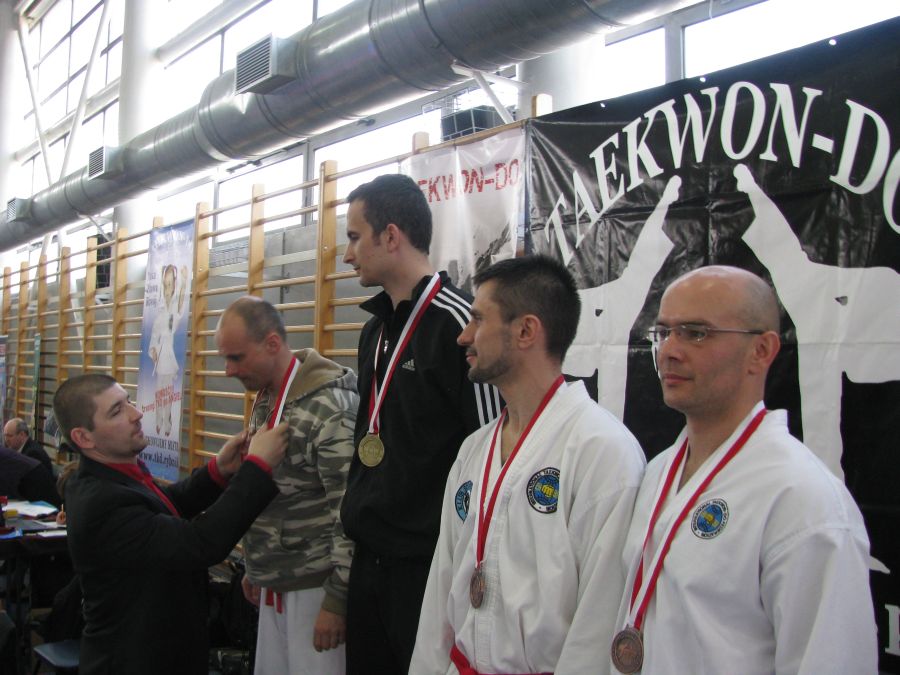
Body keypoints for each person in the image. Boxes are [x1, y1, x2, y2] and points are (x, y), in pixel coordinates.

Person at [611, 266, 877, 674]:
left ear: (761, 351)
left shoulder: (803, 500)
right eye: (663, 332)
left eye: (696, 333)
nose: (669, 351)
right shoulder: (660, 471)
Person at [410, 255, 646, 675]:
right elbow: (442, 586)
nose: (463, 337)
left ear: (525, 331)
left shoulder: (603, 451)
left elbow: (599, 619)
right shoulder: (474, 450)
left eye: (478, 320)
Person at [339, 173, 501, 674]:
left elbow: (492, 456)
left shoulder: (459, 325)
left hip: (428, 569)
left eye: (354, 237)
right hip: (369, 561)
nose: (346, 255)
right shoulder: (374, 331)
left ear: (391, 236)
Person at [54, 373, 288, 675]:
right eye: (116, 411)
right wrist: (257, 467)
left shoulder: (109, 477)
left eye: (128, 402)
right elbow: (200, 543)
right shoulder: (101, 503)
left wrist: (219, 470)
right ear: (84, 438)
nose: (137, 414)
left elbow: (165, 505)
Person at [216, 296, 358, 674]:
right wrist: (256, 563)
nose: (228, 370)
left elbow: (350, 511)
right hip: (277, 580)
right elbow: (272, 491)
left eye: (237, 358)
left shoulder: (330, 406)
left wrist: (337, 599)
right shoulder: (269, 395)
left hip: (316, 589)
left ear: (272, 344)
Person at [148, 263, 188, 436]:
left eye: (170, 284)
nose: (167, 288)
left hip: (169, 355)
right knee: (159, 392)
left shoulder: (174, 308)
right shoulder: (160, 308)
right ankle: (158, 420)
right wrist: (152, 349)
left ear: (174, 285)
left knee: (168, 393)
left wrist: (184, 282)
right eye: (165, 284)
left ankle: (168, 422)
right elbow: (154, 333)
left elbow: (181, 303)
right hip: (159, 355)